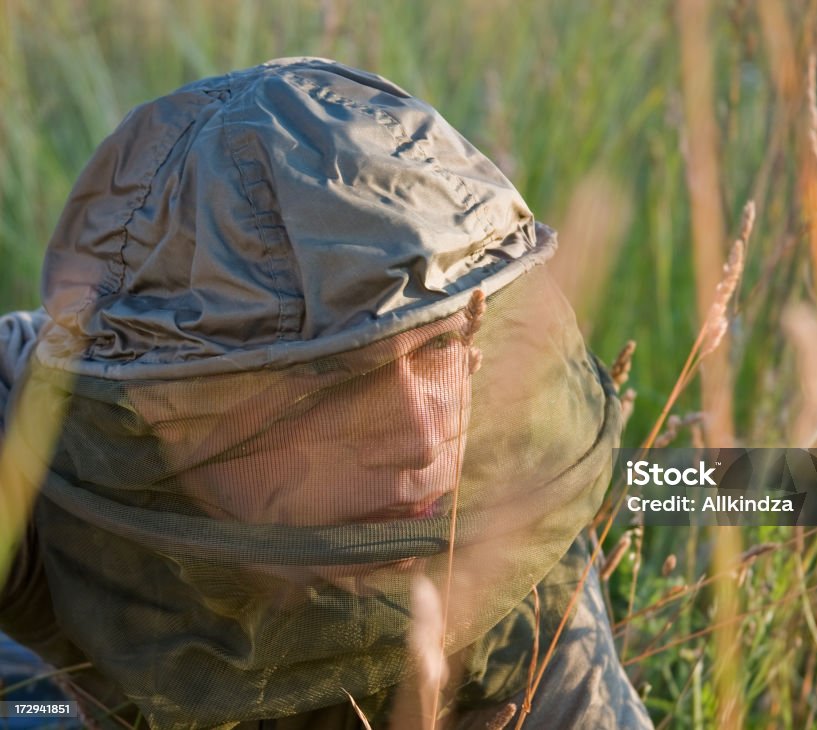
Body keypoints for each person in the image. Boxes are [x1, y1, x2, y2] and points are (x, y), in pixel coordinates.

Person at [0, 57, 653, 729]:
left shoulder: (505, 539)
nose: (421, 442)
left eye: (436, 346)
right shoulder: (50, 441)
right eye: (335, 380)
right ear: (170, 410)